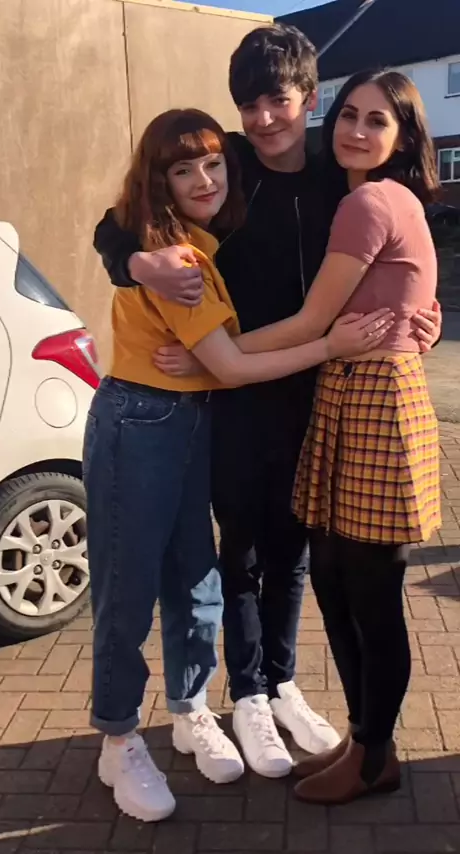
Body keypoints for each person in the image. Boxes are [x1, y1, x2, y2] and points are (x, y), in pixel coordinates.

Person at [92, 24, 442, 777]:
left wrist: (422, 315)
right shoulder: (223, 161)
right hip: (237, 393)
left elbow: (398, 254)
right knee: (241, 550)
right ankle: (247, 692)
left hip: (318, 393)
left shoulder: (338, 169)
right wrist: (139, 262)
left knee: (294, 553)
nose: (262, 119)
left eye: (277, 101)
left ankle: (282, 683)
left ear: (308, 98)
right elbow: (116, 224)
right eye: (248, 105)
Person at [228, 69, 442, 805]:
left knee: (369, 595)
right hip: (351, 397)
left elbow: (313, 322)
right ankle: (363, 737)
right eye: (349, 114)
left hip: (374, 400)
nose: (355, 130)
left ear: (403, 138)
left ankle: (375, 756)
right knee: (334, 581)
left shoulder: (370, 202)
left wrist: (215, 354)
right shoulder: (375, 198)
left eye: (377, 121)